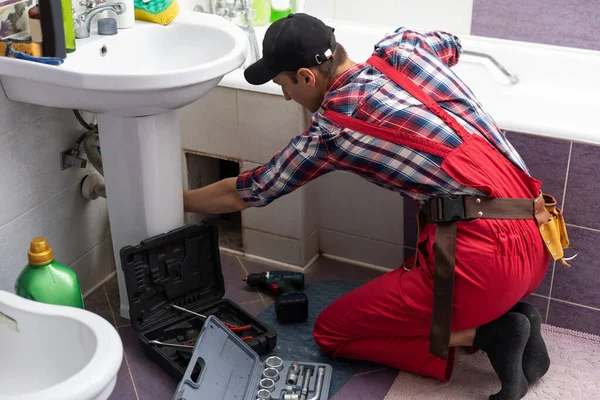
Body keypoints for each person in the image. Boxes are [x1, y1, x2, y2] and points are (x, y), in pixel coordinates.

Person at [183, 13, 561, 400]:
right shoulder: (407, 47)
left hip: (484, 267)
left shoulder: (332, 130)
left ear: (307, 77)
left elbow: (248, 191)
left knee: (333, 332)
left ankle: (491, 334)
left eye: (284, 84)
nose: (285, 95)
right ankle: (515, 318)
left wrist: (177, 199)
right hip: (539, 233)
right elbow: (452, 43)